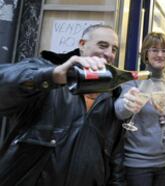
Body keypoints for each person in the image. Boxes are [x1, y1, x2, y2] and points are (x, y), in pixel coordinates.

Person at [0, 24, 125, 185]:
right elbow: (5, 84)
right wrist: (52, 77)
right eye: (102, 45)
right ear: (82, 44)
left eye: (114, 49)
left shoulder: (112, 95)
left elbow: (115, 158)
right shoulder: (47, 70)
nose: (108, 54)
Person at [115, 32, 165, 186]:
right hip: (138, 165)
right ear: (145, 53)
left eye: (164, 51)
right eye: (154, 50)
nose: (160, 54)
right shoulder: (134, 80)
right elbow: (119, 110)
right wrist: (128, 104)